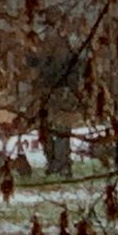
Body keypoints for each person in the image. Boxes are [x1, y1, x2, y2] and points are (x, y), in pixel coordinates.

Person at [28, 11, 80, 178]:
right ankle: (56, 164)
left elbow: (74, 69)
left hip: (59, 91)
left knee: (58, 131)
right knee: (53, 131)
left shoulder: (61, 46)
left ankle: (59, 164)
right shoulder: (47, 47)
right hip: (53, 92)